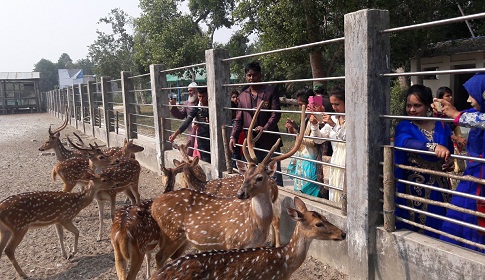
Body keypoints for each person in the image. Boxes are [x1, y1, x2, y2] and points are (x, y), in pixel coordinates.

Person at [393, 84, 454, 238]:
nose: (412, 110)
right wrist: (432, 146)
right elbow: (404, 142)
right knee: (417, 226)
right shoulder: (405, 126)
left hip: (440, 188)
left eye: (417, 106)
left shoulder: (441, 125)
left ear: (427, 106)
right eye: (409, 105)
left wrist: (449, 162)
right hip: (415, 186)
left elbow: (450, 151)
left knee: (442, 223)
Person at [440, 73, 485, 251]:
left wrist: (457, 114)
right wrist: (447, 109)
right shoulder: (477, 113)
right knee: (462, 217)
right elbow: (465, 115)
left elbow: (463, 116)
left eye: (472, 95)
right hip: (472, 175)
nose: (468, 100)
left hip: (480, 177)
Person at [229, 61, 283, 186]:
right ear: (245, 76)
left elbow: (276, 114)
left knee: (274, 177)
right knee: (252, 178)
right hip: (251, 144)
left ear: (260, 75)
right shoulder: (242, 96)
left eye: (254, 75)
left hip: (269, 142)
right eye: (249, 75)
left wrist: (265, 128)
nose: (251, 78)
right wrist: (233, 136)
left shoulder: (270, 91)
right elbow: (238, 119)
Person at [309, 86, 346, 203]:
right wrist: (314, 125)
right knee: (335, 194)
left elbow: (348, 138)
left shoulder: (354, 119)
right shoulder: (334, 119)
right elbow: (318, 140)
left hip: (348, 163)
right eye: (332, 104)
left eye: (337, 104)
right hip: (336, 163)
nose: (334, 107)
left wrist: (333, 125)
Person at [285, 88, 324, 197]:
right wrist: (293, 130)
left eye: (301, 104)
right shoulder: (306, 119)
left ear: (309, 104)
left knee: (309, 193)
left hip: (311, 162)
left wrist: (298, 135)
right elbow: (301, 141)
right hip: (302, 161)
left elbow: (313, 142)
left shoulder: (317, 118)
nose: (300, 107)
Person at [168, 88, 211, 163]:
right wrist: (175, 134)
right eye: (199, 96)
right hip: (202, 140)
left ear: (208, 96)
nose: (201, 99)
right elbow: (187, 121)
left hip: (213, 138)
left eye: (203, 97)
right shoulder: (196, 108)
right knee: (206, 161)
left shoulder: (213, 107)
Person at [169, 82, 199, 156]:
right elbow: (181, 115)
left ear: (196, 90)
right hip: (191, 132)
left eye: (191, 90)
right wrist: (173, 106)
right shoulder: (187, 103)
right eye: (188, 91)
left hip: (202, 132)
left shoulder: (201, 101)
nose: (189, 93)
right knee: (190, 152)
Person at [230, 90, 245, 167]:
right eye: (233, 97)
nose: (235, 99)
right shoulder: (231, 107)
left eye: (236, 97)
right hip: (234, 141)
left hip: (240, 142)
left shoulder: (240, 109)